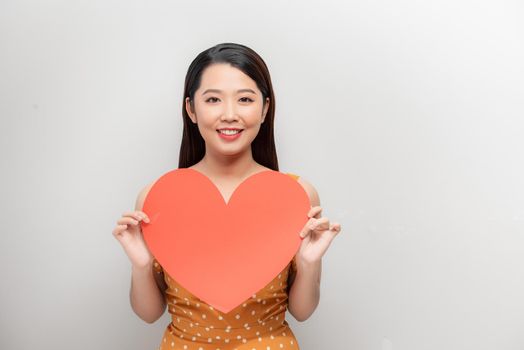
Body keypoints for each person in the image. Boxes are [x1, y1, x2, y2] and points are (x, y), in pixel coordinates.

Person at [112, 42, 342, 350]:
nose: (230, 114)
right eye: (213, 100)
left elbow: (302, 311)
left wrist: (309, 263)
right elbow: (149, 314)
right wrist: (141, 264)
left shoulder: (297, 194)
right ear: (191, 109)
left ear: (265, 108)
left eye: (245, 99)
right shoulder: (158, 197)